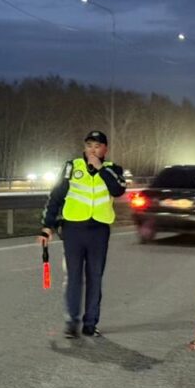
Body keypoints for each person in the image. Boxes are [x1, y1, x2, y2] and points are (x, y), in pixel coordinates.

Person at [39, 131, 126, 338]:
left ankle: (90, 323)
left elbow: (118, 190)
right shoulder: (72, 167)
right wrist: (46, 226)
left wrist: (99, 169)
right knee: (73, 277)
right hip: (73, 230)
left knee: (95, 277)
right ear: (84, 148)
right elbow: (56, 197)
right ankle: (71, 321)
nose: (92, 150)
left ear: (105, 149)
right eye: (89, 145)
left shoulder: (112, 169)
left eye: (97, 146)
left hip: (99, 230)